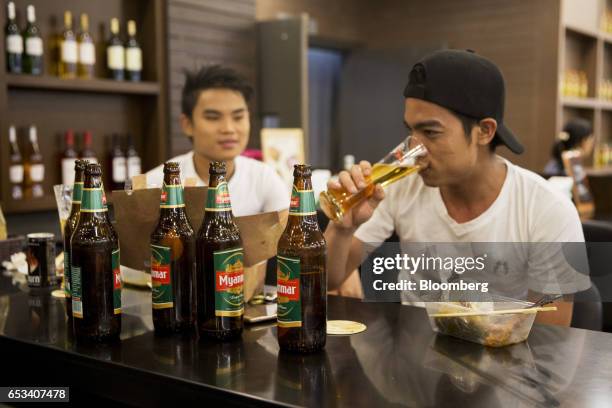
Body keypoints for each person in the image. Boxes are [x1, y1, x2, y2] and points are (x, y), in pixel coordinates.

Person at [324, 49, 591, 326]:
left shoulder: (546, 209)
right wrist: (342, 228)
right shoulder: (402, 187)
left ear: (485, 131)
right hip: (412, 360)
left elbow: (552, 337)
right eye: (411, 131)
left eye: (430, 133)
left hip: (503, 363)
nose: (414, 149)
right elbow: (330, 278)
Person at [146, 65, 288, 217]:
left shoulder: (263, 177)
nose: (228, 129)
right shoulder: (156, 184)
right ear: (187, 124)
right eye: (213, 117)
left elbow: (288, 232)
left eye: (238, 117)